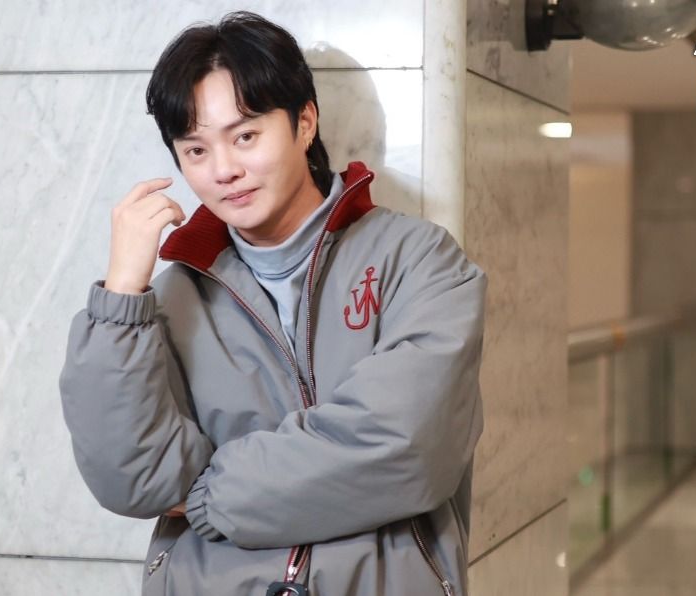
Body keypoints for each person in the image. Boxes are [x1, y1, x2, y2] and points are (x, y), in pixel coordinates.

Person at [58, 11, 486, 596]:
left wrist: (207, 493)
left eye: (245, 136)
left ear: (304, 122)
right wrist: (121, 295)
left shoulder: (418, 260)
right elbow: (132, 479)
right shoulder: (171, 299)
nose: (224, 170)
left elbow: (409, 445)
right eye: (195, 150)